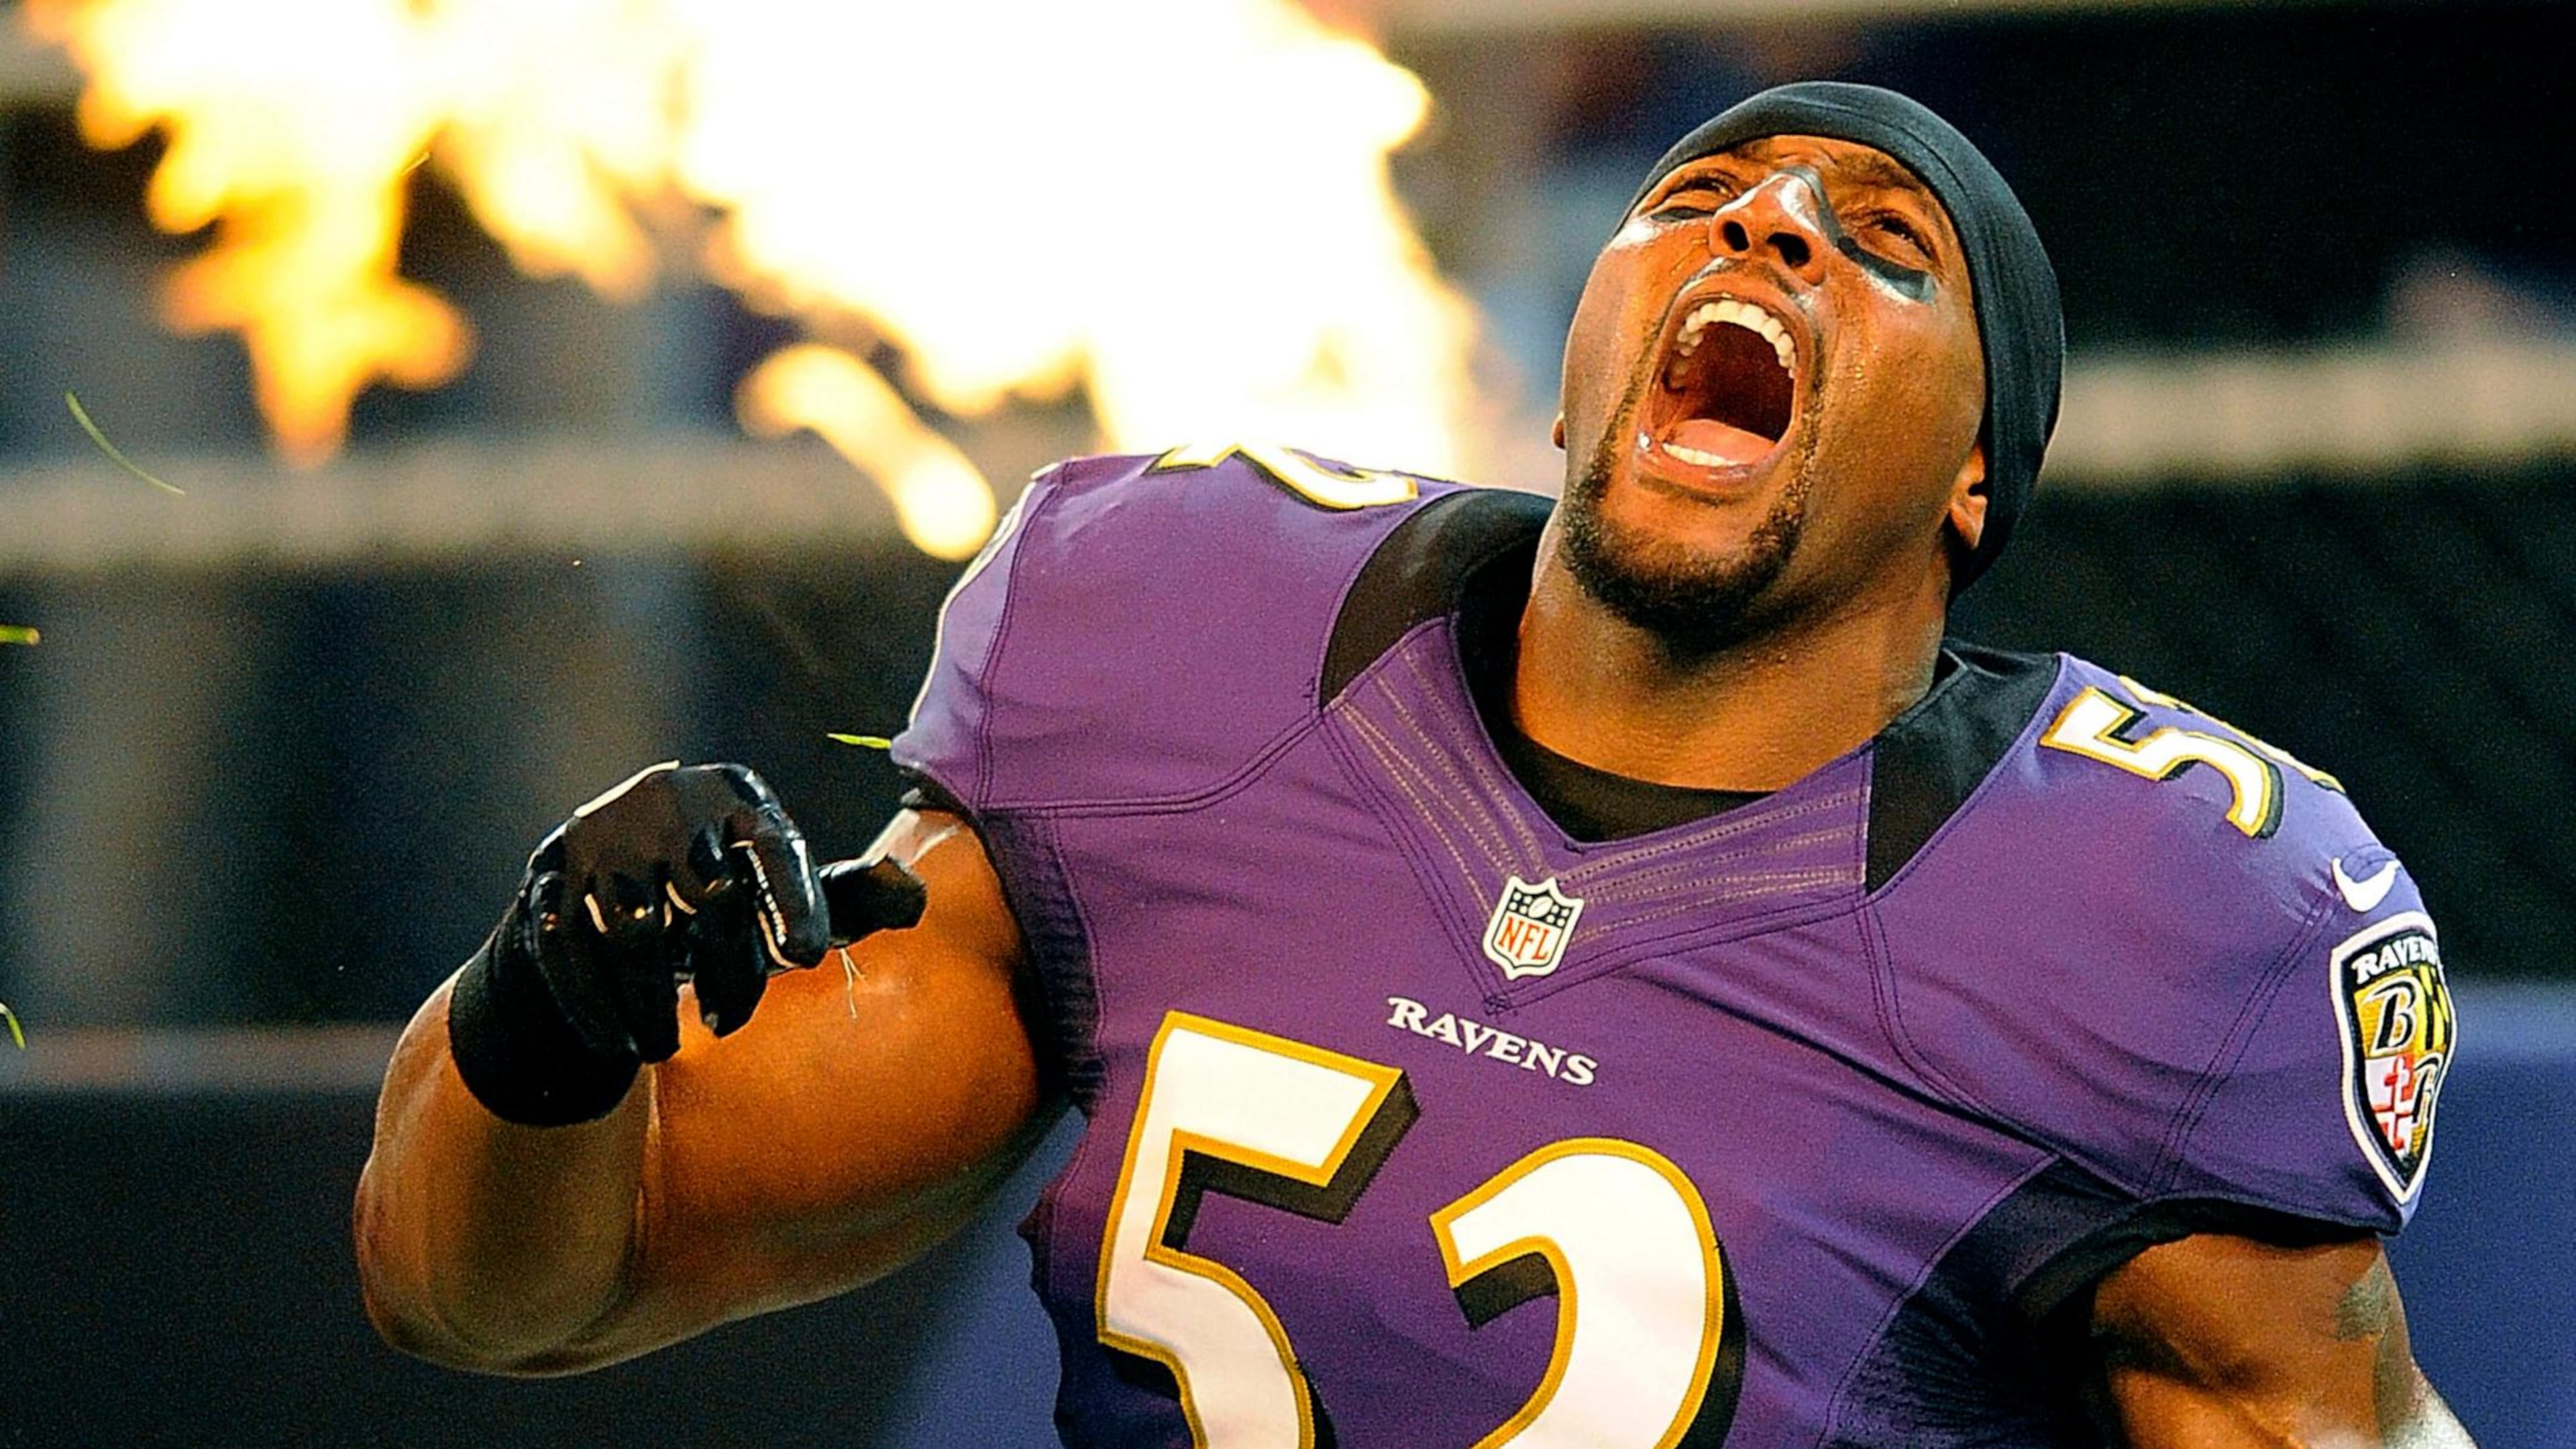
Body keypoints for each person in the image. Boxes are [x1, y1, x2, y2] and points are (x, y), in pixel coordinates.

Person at [355, 82, 2476, 1446]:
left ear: (1975, 491)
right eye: (1707, 196)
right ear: (1576, 358)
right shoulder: (1185, 645)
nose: (1771, 232)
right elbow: (502, 1294)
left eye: (1881, 246)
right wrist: (551, 1016)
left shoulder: (2159, 920)